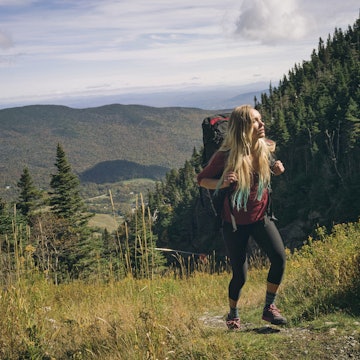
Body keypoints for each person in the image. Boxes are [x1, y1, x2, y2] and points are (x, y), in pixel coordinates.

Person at [197, 104, 287, 330]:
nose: (262, 124)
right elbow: (201, 180)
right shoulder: (225, 156)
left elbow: (270, 168)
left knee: (279, 259)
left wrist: (276, 170)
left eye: (261, 119)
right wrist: (223, 183)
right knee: (240, 276)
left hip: (260, 217)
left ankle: (269, 308)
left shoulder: (264, 148)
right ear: (243, 127)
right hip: (235, 224)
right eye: (256, 121)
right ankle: (233, 314)